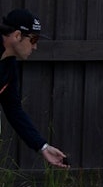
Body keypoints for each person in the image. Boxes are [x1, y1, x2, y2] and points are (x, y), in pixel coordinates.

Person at [0, 10, 68, 168]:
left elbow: (13, 110)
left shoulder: (9, 67)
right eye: (34, 39)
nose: (35, 46)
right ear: (17, 36)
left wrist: (42, 146)